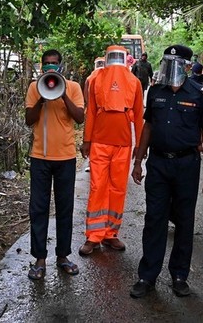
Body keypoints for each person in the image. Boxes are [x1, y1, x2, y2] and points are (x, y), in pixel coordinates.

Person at [129, 44, 203, 299]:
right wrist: (138, 161)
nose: (173, 67)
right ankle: (147, 276)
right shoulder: (155, 91)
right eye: (168, 62)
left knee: (184, 219)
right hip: (158, 164)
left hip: (186, 165)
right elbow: (148, 126)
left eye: (178, 64)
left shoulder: (200, 92)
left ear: (188, 66)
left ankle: (179, 275)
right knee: (154, 218)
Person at [24, 49, 85, 280]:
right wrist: (42, 95)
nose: (51, 68)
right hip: (40, 157)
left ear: (61, 66)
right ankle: (40, 259)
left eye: (54, 64)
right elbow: (29, 120)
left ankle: (62, 256)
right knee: (38, 209)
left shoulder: (73, 87)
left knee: (65, 209)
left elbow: (79, 117)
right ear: (42, 67)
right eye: (47, 64)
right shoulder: (33, 87)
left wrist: (61, 94)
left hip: (66, 158)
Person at [79, 45, 144, 256]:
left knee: (118, 188)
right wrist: (87, 140)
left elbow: (139, 115)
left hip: (123, 143)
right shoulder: (96, 79)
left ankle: (110, 233)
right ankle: (93, 236)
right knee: (98, 186)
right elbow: (90, 113)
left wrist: (139, 147)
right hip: (99, 141)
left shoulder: (134, 82)